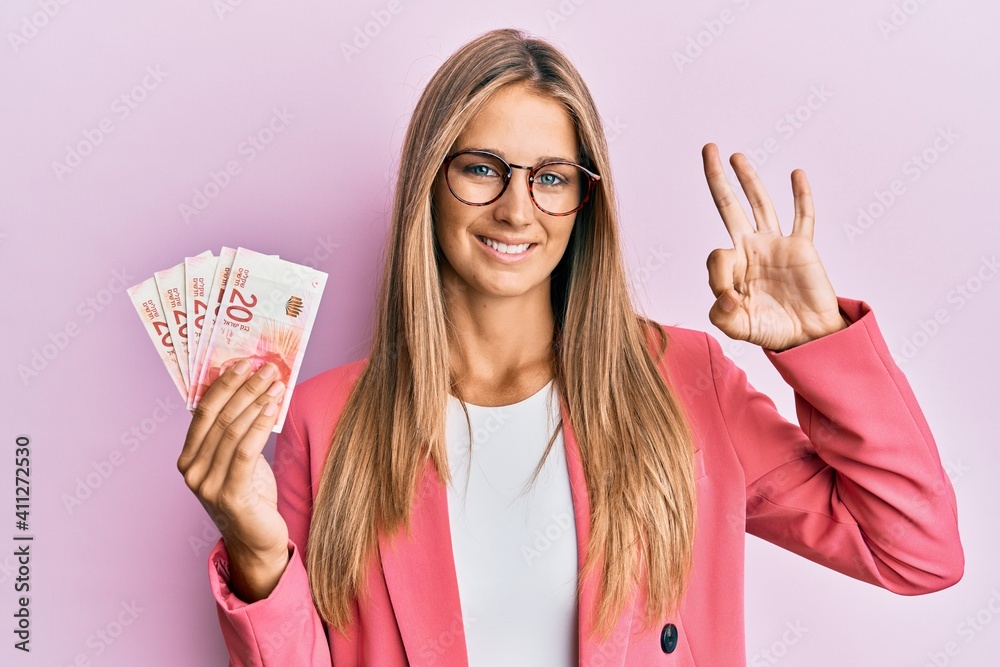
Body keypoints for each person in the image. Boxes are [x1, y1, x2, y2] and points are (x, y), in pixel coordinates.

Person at [176, 28, 964, 666]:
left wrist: (821, 346)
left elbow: (916, 551)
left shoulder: (685, 382)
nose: (518, 209)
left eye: (552, 178)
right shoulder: (327, 420)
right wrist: (256, 552)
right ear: (428, 181)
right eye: (482, 168)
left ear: (585, 202)